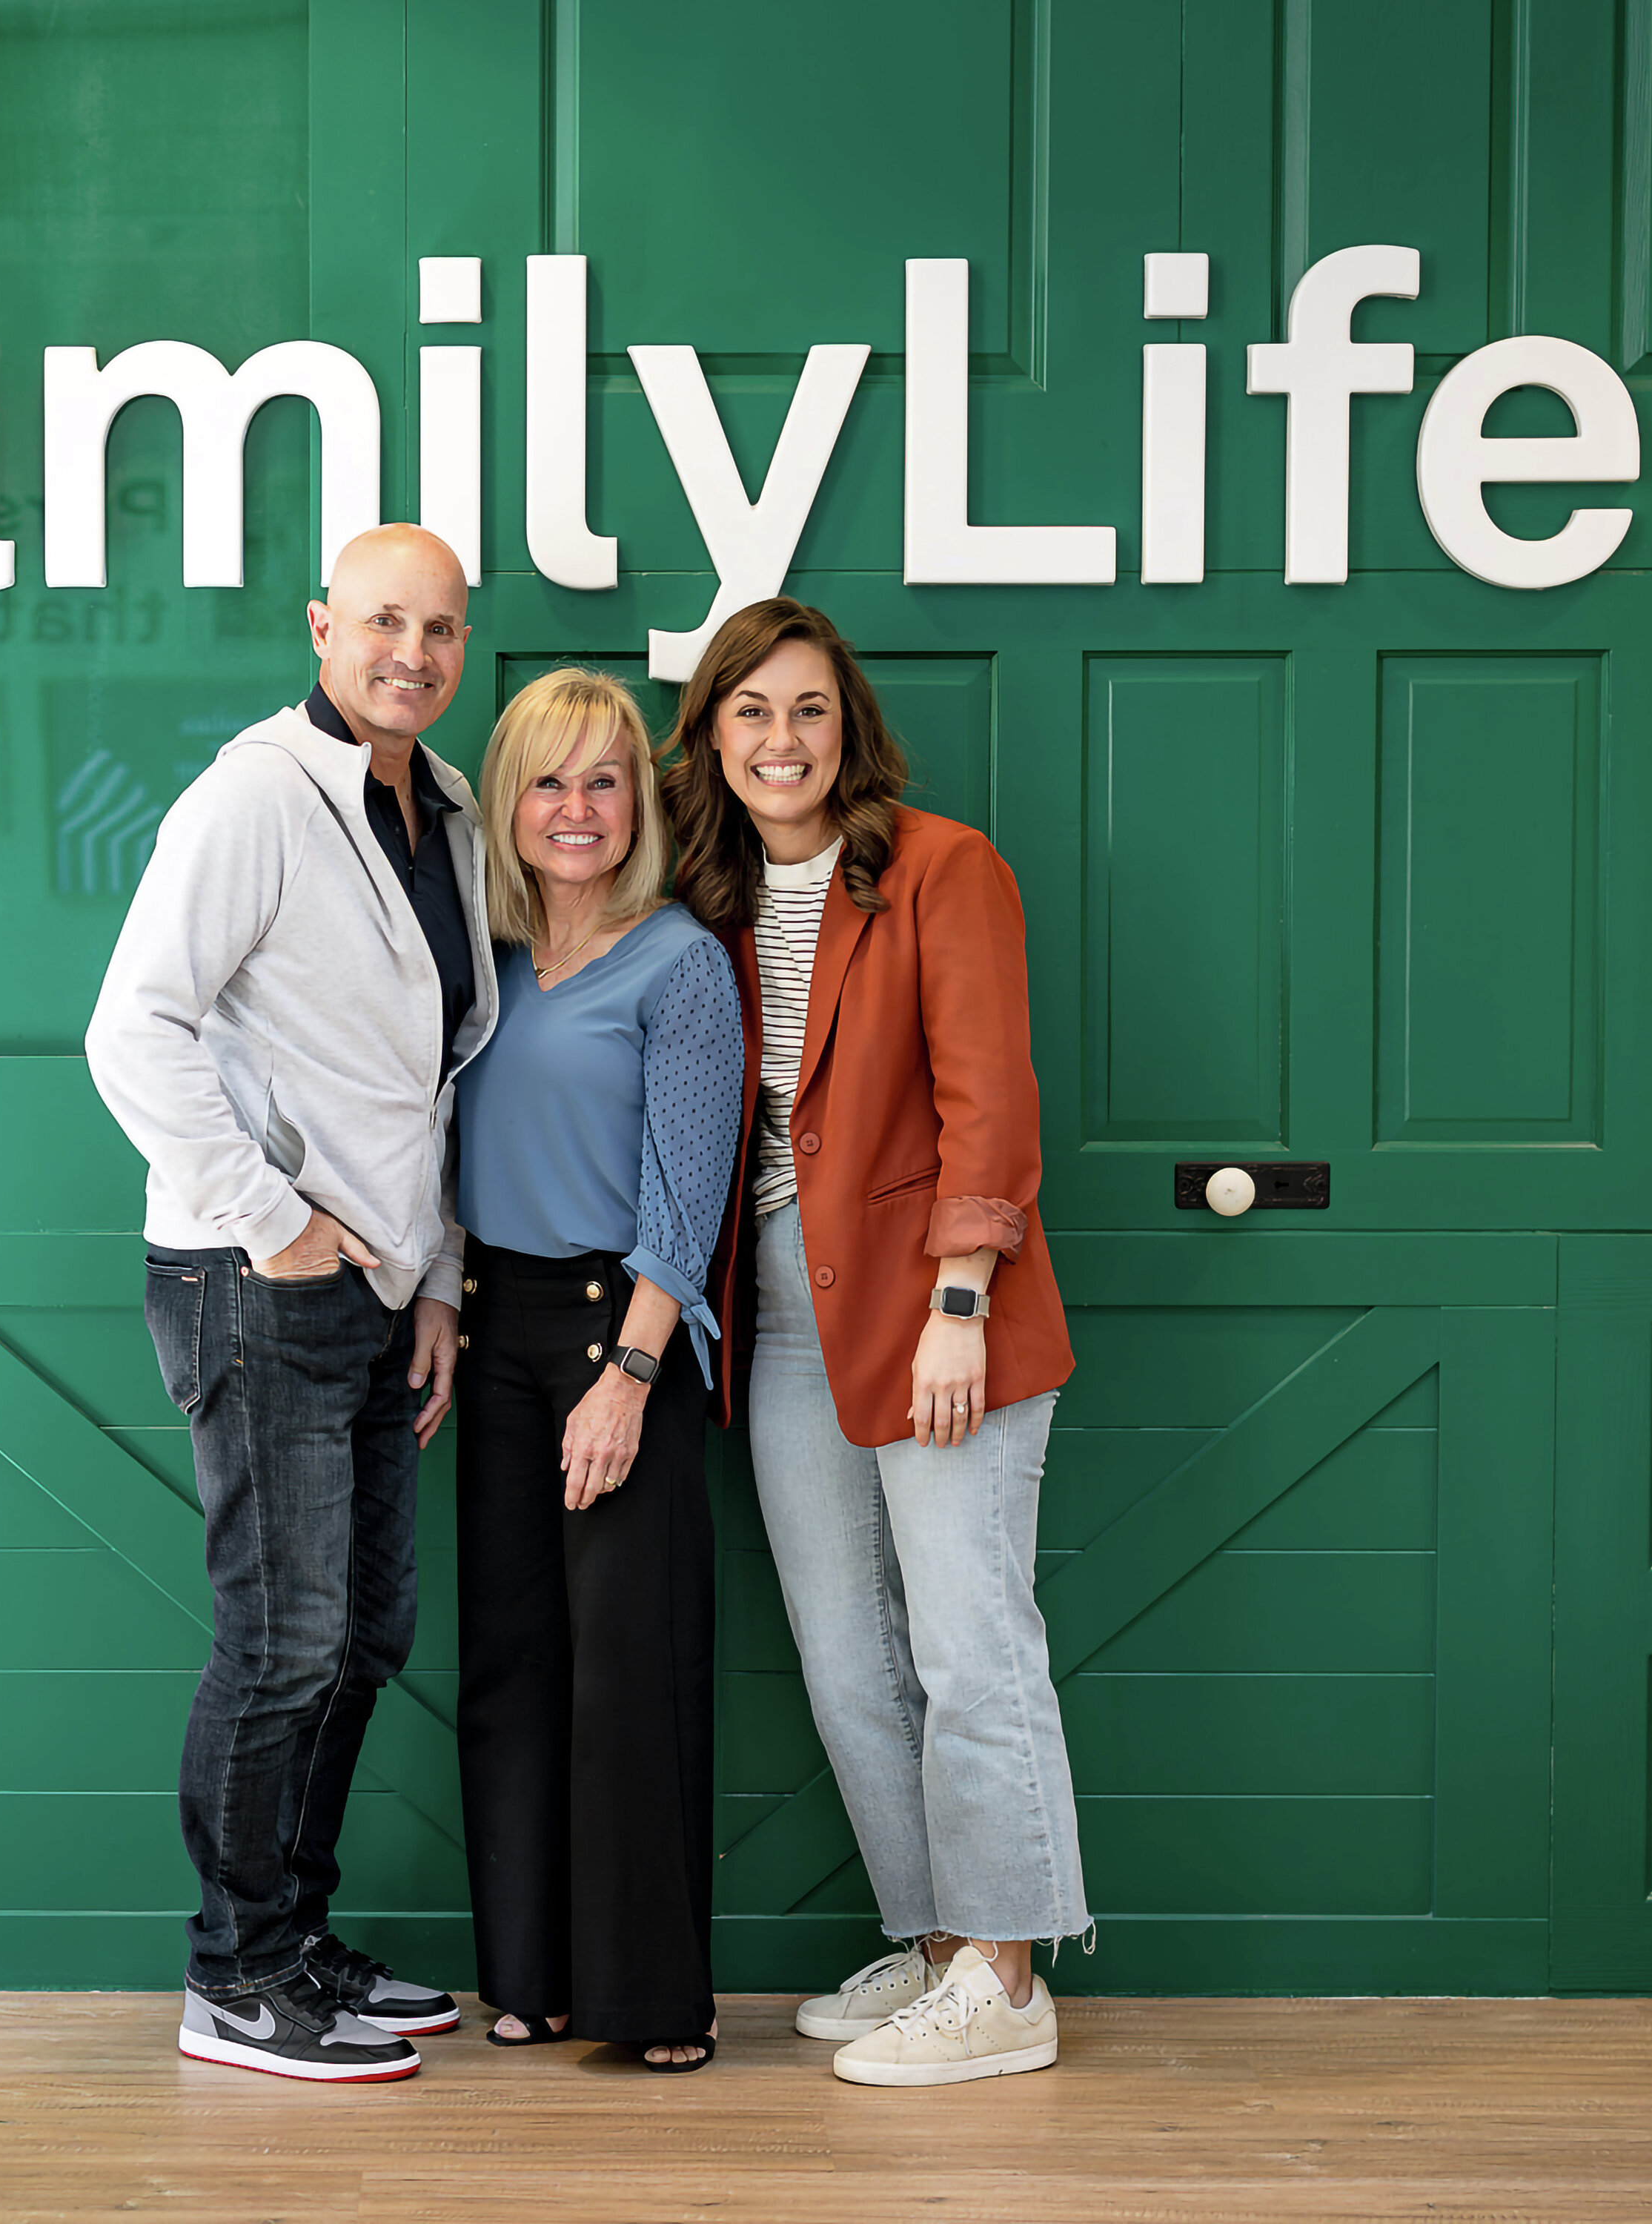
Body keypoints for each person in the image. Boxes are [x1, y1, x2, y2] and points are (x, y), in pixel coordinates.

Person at [84, 524, 496, 2083]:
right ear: (322, 627)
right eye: (382, 621)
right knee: (282, 1642)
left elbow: (427, 1081)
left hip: (380, 1287)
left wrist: (436, 1276)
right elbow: (133, 1029)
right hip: (252, 1280)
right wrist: (272, 1224)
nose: (411, 653)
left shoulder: (446, 809)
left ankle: (297, 1941)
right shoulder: (256, 795)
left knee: (363, 1636)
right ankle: (235, 1976)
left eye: (438, 629)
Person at [663, 598, 1088, 2091]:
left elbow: (991, 1097)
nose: (782, 739)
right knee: (848, 1656)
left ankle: (1008, 1977)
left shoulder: (939, 868)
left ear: (849, 731)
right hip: (781, 1308)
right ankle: (939, 1944)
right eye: (752, 711)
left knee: (972, 1642)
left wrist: (961, 1303)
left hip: (932, 1293)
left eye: (809, 709)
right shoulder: (706, 897)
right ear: (712, 736)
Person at [451, 669, 743, 2073]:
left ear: (640, 804)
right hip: (494, 1329)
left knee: (632, 1675)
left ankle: (654, 2000)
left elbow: (691, 1195)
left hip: (619, 1331)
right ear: (509, 804)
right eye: (549, 782)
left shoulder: (681, 963)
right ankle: (532, 1978)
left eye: (605, 780)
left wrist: (625, 1376)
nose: (577, 809)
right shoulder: (484, 964)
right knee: (510, 1670)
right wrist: (445, 1301)